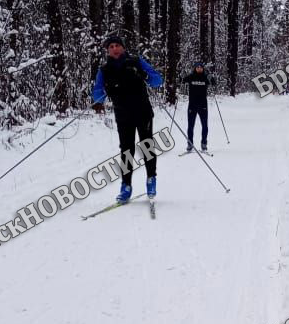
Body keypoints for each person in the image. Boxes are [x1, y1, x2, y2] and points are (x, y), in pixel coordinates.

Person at [92, 35, 164, 203]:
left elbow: (157, 80)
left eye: (117, 45)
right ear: (107, 51)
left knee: (147, 145)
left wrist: (143, 75)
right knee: (126, 150)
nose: (114, 49)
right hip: (123, 115)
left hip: (142, 112)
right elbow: (98, 90)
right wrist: (98, 100)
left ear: (123, 48)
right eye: (111, 47)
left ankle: (151, 179)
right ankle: (126, 186)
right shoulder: (104, 70)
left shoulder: (136, 61)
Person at [181, 61, 215, 152]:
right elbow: (182, 80)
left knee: (205, 125)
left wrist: (211, 78)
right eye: (197, 67)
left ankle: (204, 143)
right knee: (190, 126)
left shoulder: (205, 77)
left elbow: (214, 83)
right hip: (192, 105)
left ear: (203, 68)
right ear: (195, 68)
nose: (199, 68)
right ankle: (190, 143)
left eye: (201, 67)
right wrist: (182, 76)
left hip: (203, 105)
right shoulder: (191, 77)